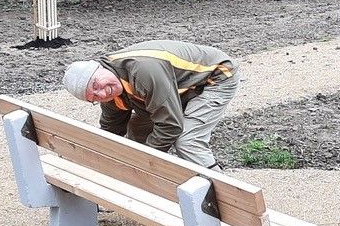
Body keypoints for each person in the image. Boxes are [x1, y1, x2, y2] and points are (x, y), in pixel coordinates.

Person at [63, 40, 238, 169]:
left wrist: (144, 162)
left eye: (95, 85)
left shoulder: (143, 72)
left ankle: (222, 199)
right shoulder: (111, 89)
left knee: (187, 141)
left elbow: (171, 126)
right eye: (94, 98)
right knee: (137, 129)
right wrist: (89, 159)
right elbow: (111, 130)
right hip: (176, 87)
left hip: (214, 77)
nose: (101, 93)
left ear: (99, 68)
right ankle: (144, 190)